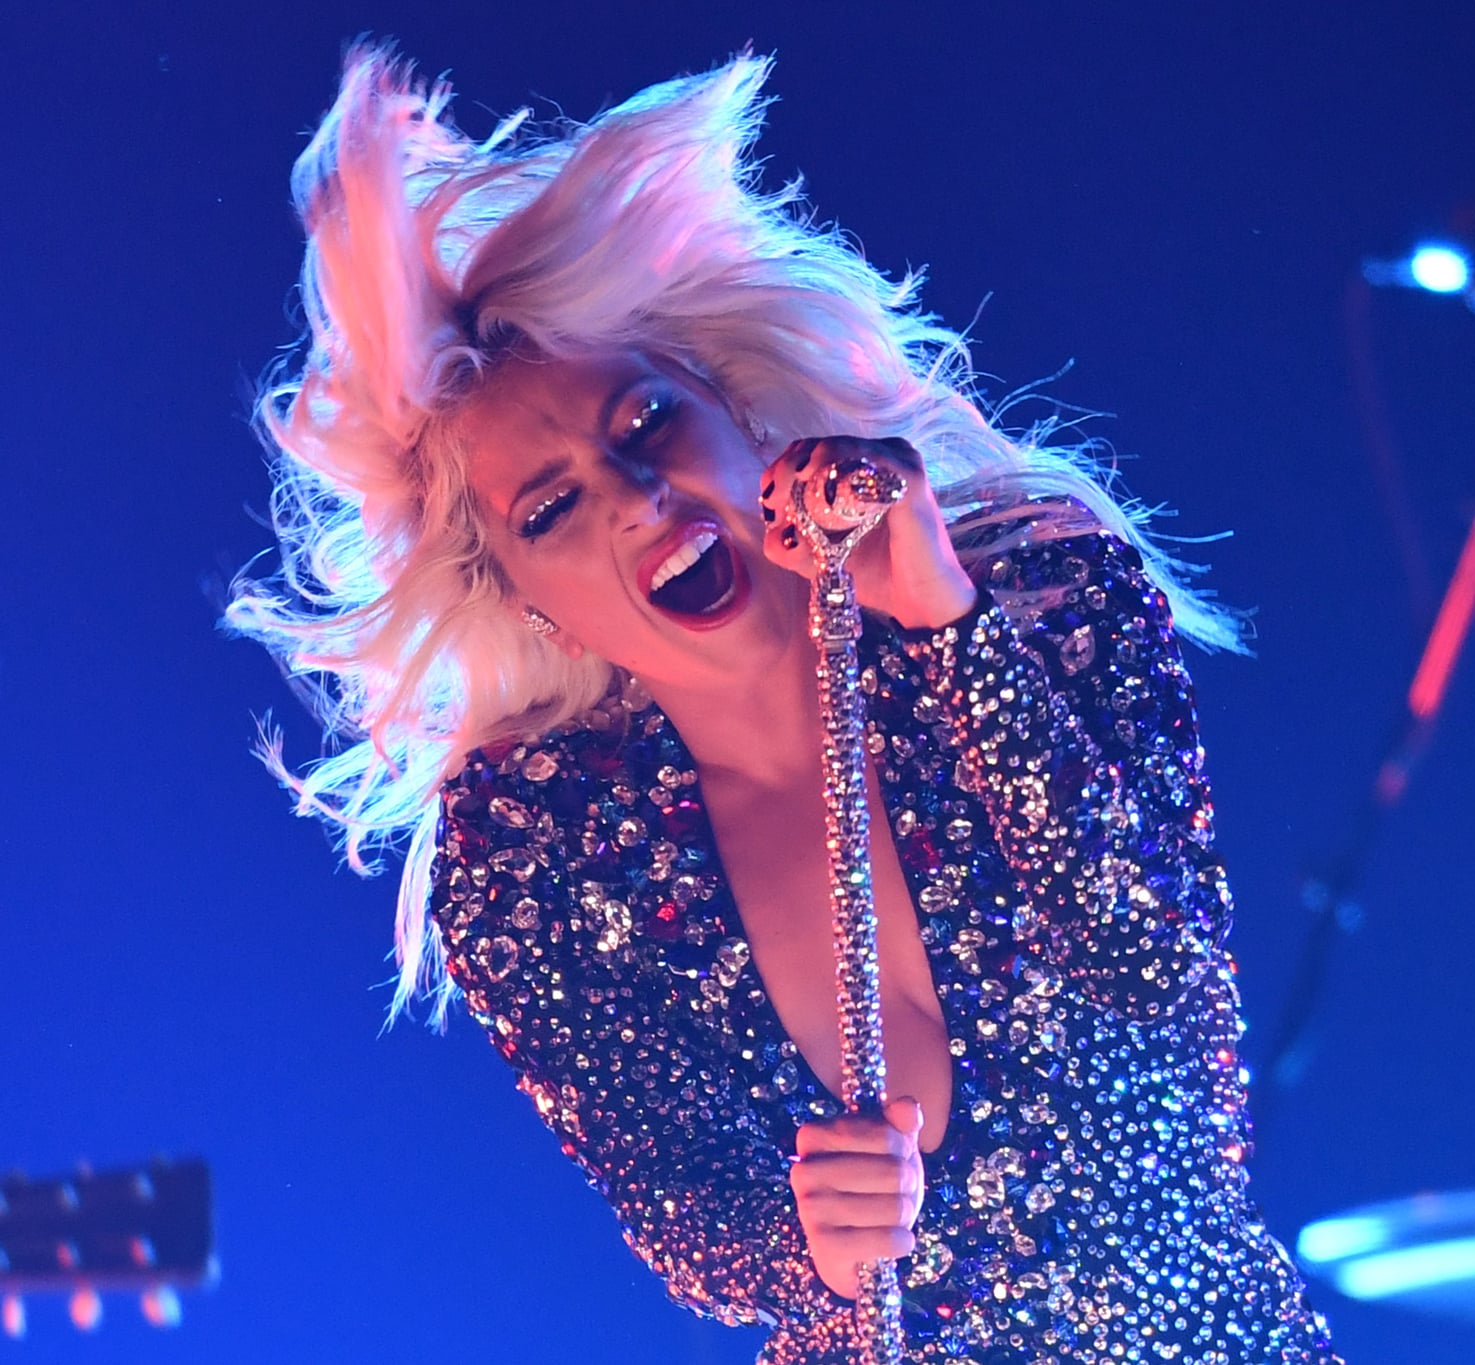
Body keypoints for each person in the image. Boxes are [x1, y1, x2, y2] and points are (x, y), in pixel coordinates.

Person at [229, 44, 1344, 1365]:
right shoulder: (536, 846)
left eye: (645, 423)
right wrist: (799, 1233)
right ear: (523, 595)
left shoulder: (1038, 586)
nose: (638, 497)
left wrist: (944, 620)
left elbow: (1156, 968)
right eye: (551, 509)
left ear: (734, 406)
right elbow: (683, 1205)